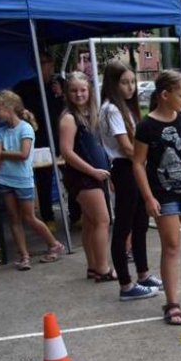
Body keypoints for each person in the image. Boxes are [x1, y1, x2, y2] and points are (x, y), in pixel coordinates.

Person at [133, 70, 181, 326]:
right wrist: (148, 197)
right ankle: (171, 302)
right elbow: (138, 163)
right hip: (163, 193)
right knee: (171, 246)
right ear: (164, 95)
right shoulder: (146, 126)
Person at [99, 60, 162, 301]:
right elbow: (126, 147)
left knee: (140, 224)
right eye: (124, 83)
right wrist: (147, 154)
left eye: (133, 82)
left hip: (135, 166)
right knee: (124, 226)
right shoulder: (112, 109)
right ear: (113, 84)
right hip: (125, 168)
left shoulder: (125, 108)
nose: (130, 87)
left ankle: (143, 274)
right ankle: (126, 285)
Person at [0, 90, 64, 270]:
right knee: (13, 219)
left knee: (29, 218)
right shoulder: (1, 131)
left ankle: (54, 244)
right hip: (5, 179)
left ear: (9, 107)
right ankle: (24, 255)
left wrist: (1, 154)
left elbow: (23, 154)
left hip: (22, 180)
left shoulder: (25, 128)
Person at [58, 72, 114, 281]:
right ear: (67, 93)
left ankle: (93, 266)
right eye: (74, 90)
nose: (79, 94)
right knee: (102, 221)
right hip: (83, 177)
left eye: (83, 90)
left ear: (89, 91)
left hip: (94, 175)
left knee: (91, 222)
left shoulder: (90, 114)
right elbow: (67, 152)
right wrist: (93, 171)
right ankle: (103, 268)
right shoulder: (69, 118)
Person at [12, 51, 64, 230]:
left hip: (62, 137)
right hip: (40, 138)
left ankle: (77, 214)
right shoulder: (25, 87)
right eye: (39, 63)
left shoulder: (61, 84)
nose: (43, 66)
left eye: (46, 62)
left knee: (73, 174)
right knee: (44, 178)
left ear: (52, 64)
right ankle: (48, 216)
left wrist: (62, 94)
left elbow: (77, 105)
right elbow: (15, 108)